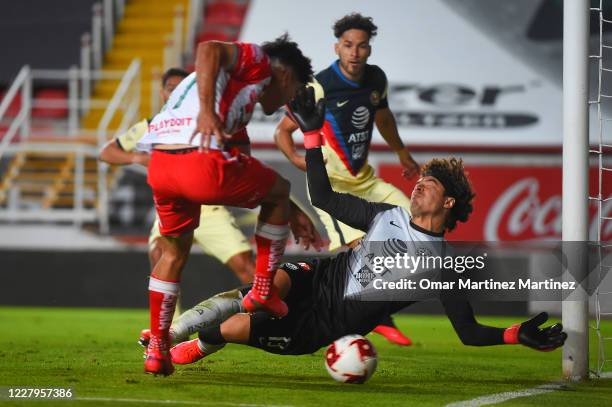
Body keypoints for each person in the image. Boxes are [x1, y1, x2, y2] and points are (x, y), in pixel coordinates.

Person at [163, 87, 567, 364]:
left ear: (448, 202)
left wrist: (515, 335)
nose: (419, 186)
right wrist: (311, 135)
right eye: (420, 180)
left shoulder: (442, 269)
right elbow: (324, 198)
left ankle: (200, 343)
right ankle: (165, 335)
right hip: (315, 279)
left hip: (320, 325)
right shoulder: (384, 216)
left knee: (230, 329)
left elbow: (467, 331)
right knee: (265, 289)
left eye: (429, 184)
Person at [136, 35, 320, 376]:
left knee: (174, 254)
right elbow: (208, 49)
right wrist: (207, 113)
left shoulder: (237, 103)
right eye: (293, 88)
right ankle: (262, 291)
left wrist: (288, 209)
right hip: (198, 159)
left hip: (162, 166)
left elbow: (245, 166)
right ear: (284, 74)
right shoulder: (260, 61)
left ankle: (158, 349)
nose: (289, 100)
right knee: (280, 188)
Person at [274, 13, 418, 345]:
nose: (355, 52)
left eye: (362, 46)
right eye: (348, 45)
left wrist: (401, 152)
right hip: (332, 188)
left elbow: (383, 116)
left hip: (366, 180)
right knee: (356, 248)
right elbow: (283, 132)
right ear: (337, 47)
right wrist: (299, 160)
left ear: (369, 49)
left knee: (417, 227)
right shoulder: (320, 84)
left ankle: (379, 308)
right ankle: (375, 315)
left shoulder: (376, 78)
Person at [99, 68, 255, 284]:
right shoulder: (154, 124)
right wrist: (139, 159)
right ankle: (171, 320)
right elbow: (107, 151)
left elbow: (242, 153)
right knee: (158, 258)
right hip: (173, 207)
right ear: (162, 93)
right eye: (171, 89)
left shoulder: (208, 122)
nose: (176, 94)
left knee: (247, 267)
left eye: (181, 89)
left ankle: (264, 313)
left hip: (209, 209)